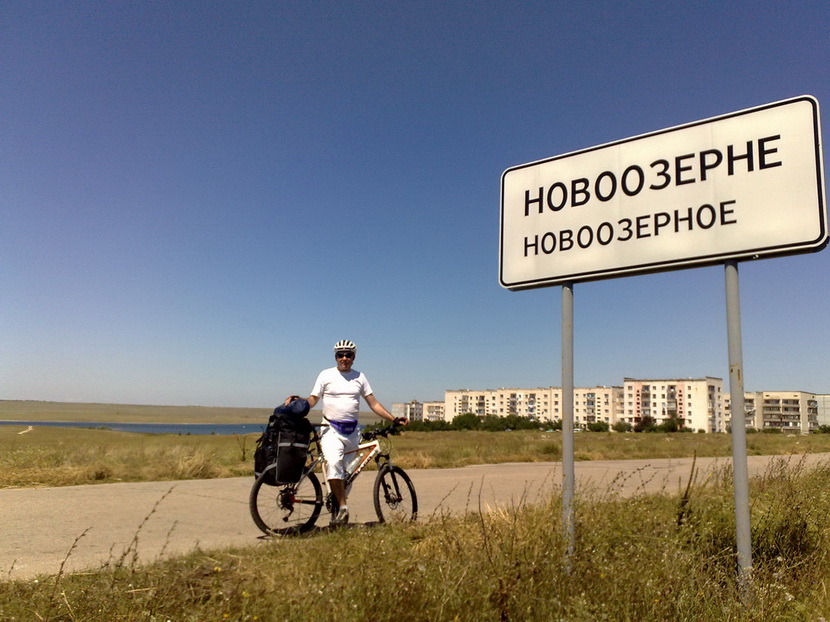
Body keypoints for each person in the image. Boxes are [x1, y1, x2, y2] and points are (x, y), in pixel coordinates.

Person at [290, 339, 403, 525]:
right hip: (331, 429)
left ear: (353, 357)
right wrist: (300, 403)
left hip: (352, 432)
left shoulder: (360, 377)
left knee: (349, 474)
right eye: (340, 355)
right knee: (334, 463)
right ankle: (343, 508)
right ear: (336, 357)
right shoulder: (326, 375)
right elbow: (313, 399)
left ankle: (337, 512)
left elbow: (373, 403)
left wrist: (393, 419)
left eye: (348, 355)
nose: (344, 358)